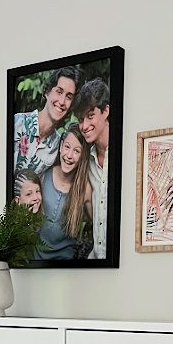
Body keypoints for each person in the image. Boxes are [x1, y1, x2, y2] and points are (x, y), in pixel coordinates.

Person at [33, 123, 92, 261]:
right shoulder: (43, 176)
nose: (69, 155)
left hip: (66, 265)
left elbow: (99, 226)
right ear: (60, 147)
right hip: (34, 262)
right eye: (67, 147)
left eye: (77, 151)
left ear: (83, 156)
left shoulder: (85, 189)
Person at [13, 66, 80, 178]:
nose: (62, 101)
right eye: (59, 92)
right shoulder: (16, 123)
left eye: (68, 97)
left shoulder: (57, 147)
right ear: (47, 91)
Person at [73, 78, 110, 260]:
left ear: (105, 111)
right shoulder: (87, 160)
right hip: (97, 261)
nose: (84, 126)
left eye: (90, 116)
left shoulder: (126, 152)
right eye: (81, 119)